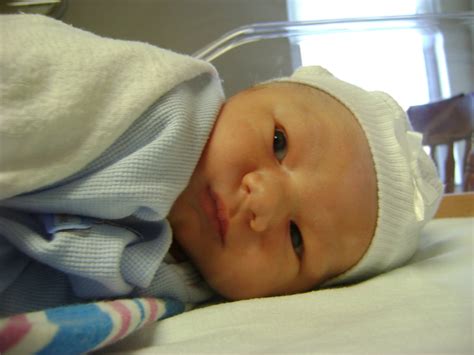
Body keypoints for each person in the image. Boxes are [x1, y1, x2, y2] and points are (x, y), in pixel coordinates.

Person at [0, 14, 443, 316]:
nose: (263, 201)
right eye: (279, 143)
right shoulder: (161, 112)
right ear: (245, 93)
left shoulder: (184, 288)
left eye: (296, 239)